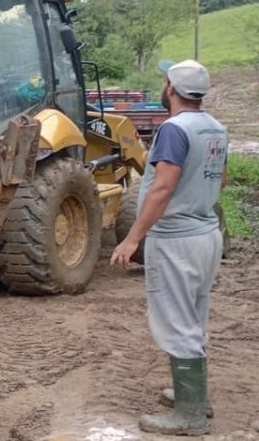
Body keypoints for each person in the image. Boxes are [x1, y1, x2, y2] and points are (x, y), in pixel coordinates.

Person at [111, 59, 228, 436]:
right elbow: (220, 178)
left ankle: (190, 415)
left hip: (176, 239)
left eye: (165, 82)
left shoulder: (174, 130)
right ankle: (193, 396)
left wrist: (132, 238)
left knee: (176, 321)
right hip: (206, 234)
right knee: (194, 315)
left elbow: (162, 188)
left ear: (171, 89)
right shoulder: (215, 128)